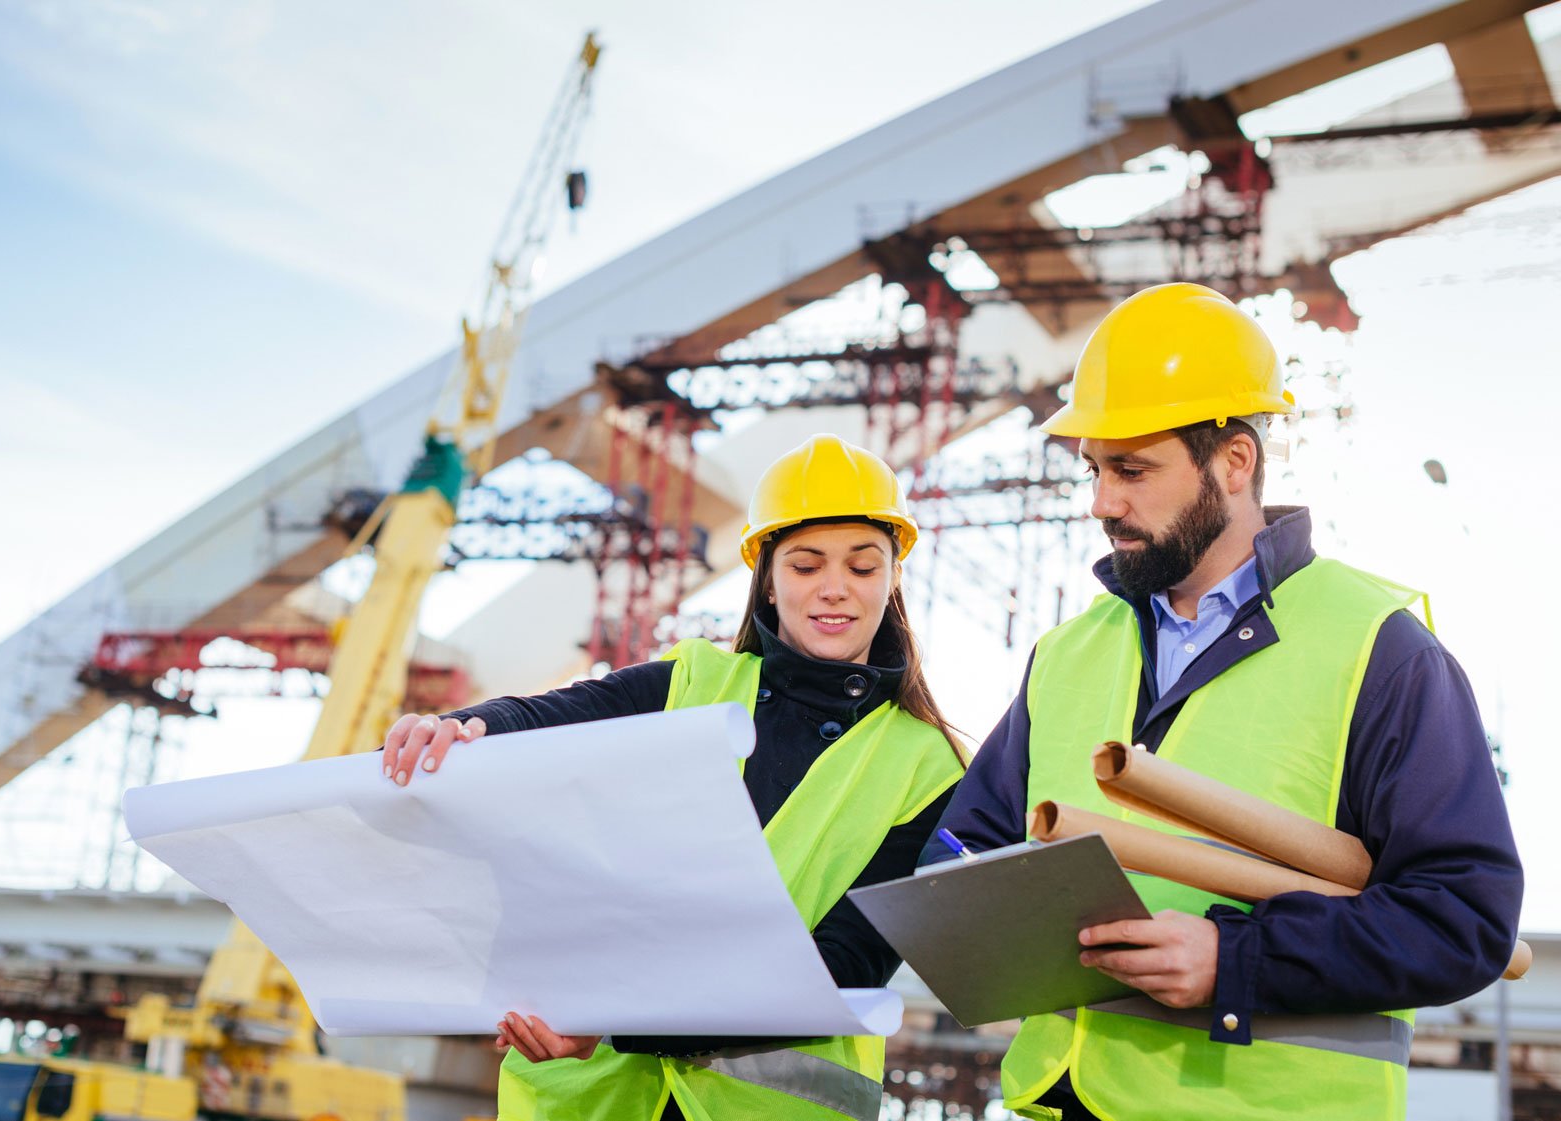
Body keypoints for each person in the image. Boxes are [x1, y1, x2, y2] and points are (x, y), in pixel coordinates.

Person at [927, 283, 1523, 1120]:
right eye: (1095, 468)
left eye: (1132, 469)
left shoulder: (1379, 651)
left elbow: (1463, 916)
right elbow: (963, 845)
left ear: (1234, 462)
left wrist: (1235, 961)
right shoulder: (1067, 655)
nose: (1103, 501)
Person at [382, 433, 967, 1121]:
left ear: (893, 577)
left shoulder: (930, 769)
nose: (835, 587)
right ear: (769, 583)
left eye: (863, 566)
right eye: (807, 564)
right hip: (594, 1102)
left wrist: (613, 1023)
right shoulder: (692, 682)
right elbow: (554, 716)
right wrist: (463, 728)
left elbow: (840, 969)